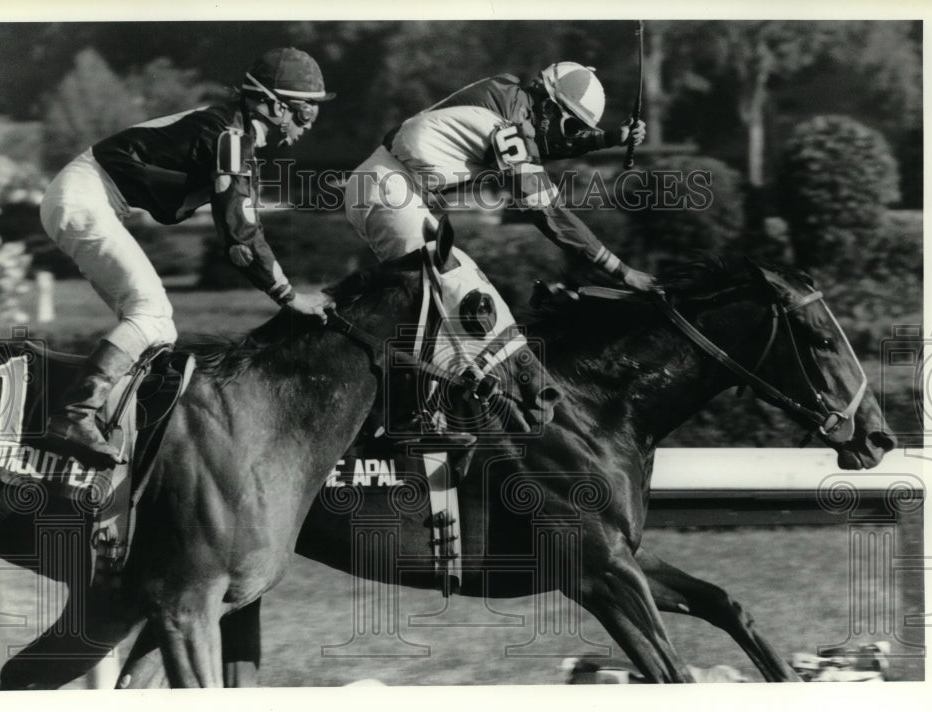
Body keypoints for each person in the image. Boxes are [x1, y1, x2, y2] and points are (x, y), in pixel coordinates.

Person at [39, 47, 336, 466]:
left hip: (84, 196)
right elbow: (241, 236)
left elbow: (239, 225)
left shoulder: (233, 134)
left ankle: (95, 426)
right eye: (306, 111)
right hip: (83, 197)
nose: (311, 122)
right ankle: (72, 416)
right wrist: (290, 297)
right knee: (151, 313)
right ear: (272, 104)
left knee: (158, 333)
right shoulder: (231, 139)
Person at [344, 61, 653, 288]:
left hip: (388, 187)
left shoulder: (509, 95)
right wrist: (622, 271)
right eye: (572, 127)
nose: (571, 136)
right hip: (389, 191)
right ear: (547, 106)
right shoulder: (509, 129)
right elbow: (550, 214)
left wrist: (610, 138)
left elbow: (542, 143)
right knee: (440, 297)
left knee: (461, 289)